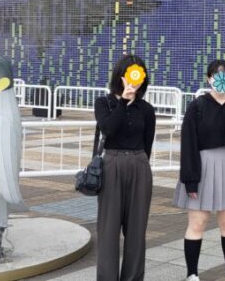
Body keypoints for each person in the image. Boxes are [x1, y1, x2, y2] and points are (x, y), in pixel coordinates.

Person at [173, 60, 225, 281]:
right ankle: (192, 274)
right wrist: (190, 179)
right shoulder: (198, 106)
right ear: (209, 79)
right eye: (216, 76)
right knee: (197, 223)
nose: (221, 81)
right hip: (202, 167)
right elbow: (188, 143)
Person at [94, 54, 156, 281]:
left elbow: (147, 144)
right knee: (108, 230)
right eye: (130, 74)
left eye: (139, 75)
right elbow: (108, 129)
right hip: (112, 163)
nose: (134, 80)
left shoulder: (147, 109)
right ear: (120, 76)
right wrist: (123, 101)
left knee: (137, 231)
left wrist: (140, 164)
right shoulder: (104, 103)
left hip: (139, 164)